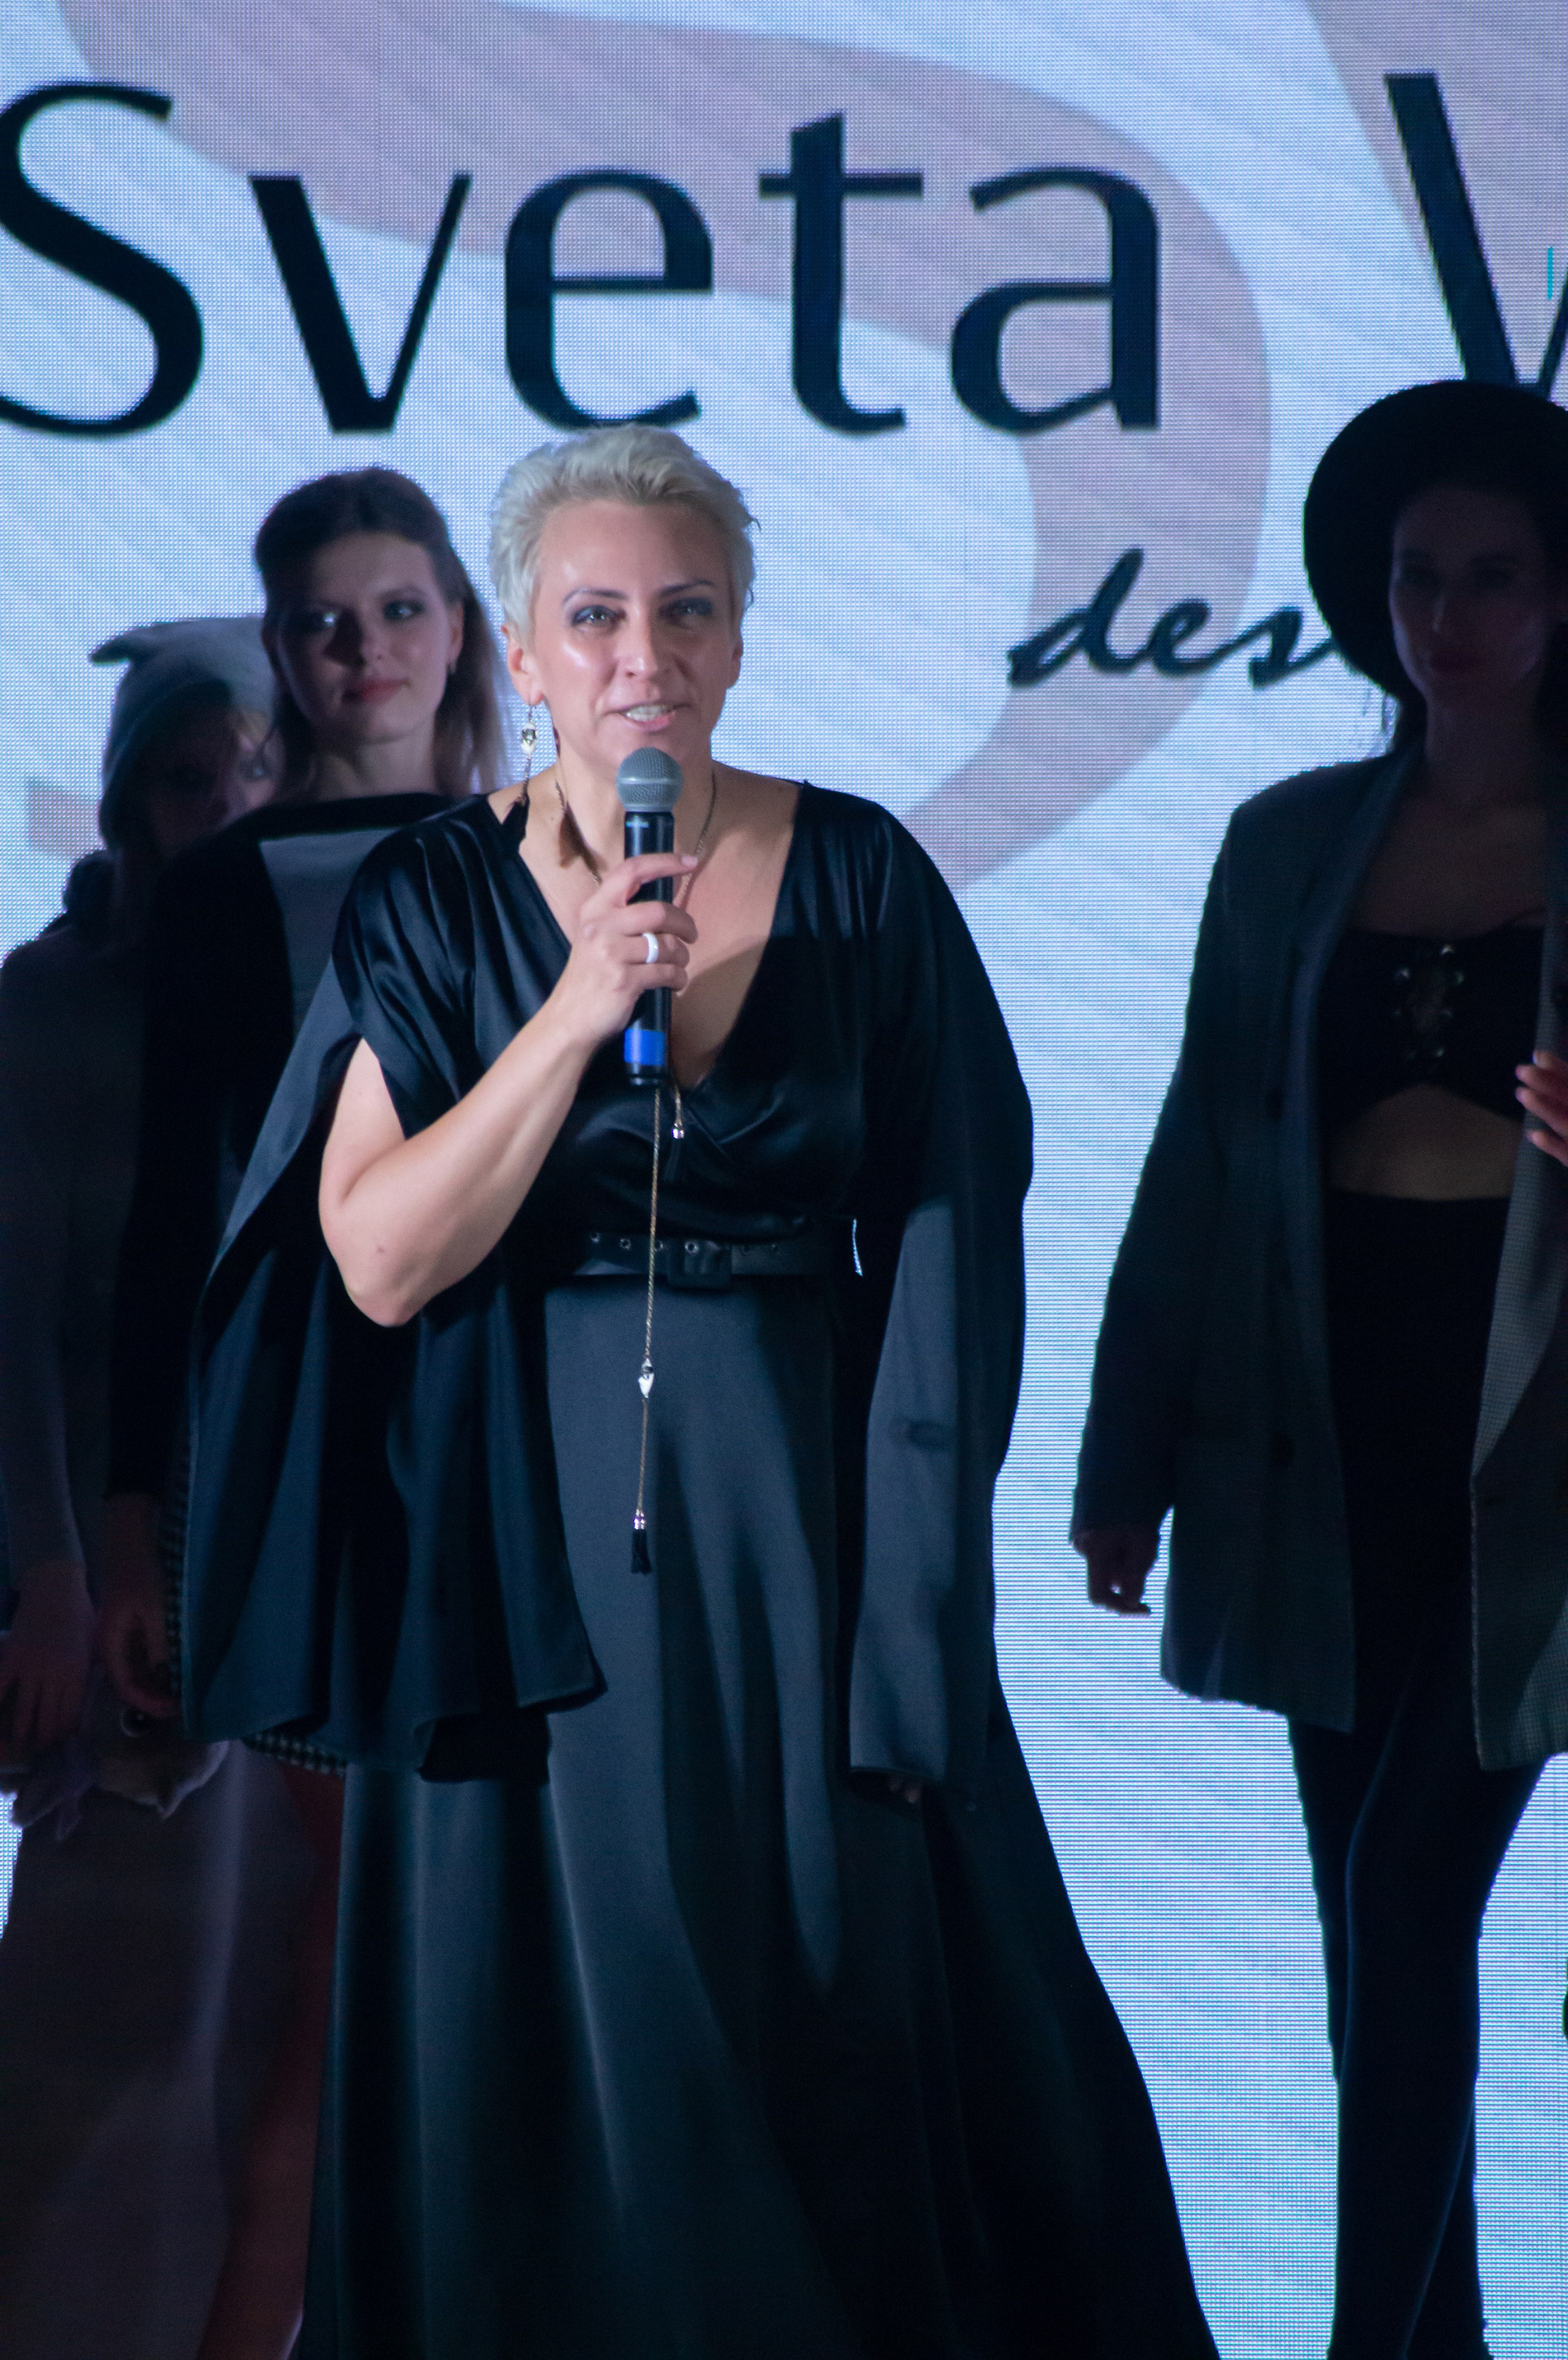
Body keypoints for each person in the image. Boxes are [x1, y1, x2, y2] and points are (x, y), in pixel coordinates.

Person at [171, 425, 1219, 2360]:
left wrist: (912, 1625)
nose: (641, 655)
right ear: (524, 648)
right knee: (546, 2081)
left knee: (833, 2045)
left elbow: (952, 1259)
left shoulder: (866, 878)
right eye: (594, 616)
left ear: (737, 639)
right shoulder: (433, 894)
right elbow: (379, 1256)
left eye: (686, 610)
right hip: (512, 1550)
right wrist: (577, 1009)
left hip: (802, 1541)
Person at [1072, 379, 1568, 2360]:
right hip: (1318, 1418)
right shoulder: (1286, 843)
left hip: (1537, 1436)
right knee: (1376, 1947)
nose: (1450, 616)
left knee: (1406, 1895)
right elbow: (1200, 1161)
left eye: (1495, 576)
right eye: (1420, 577)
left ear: (1562, 597)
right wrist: (1126, 1459)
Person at [98, 469, 506, 2360]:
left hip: (519, 1460)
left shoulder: (548, 853)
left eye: (399, 610)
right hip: (310, 1469)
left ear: (457, 625)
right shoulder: (221, 892)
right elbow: (166, 1219)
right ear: (281, 645)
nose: (366, 652)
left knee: (495, 1974)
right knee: (360, 1960)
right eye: (327, 623)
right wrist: (134, 1522)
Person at [0, 619, 318, 2360]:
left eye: (257, 774)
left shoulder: (330, 991)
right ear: (127, 807)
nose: (227, 807)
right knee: (109, 2050)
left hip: (293, 1599)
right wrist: (49, 1573)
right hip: (120, 1608)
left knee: (266, 2061)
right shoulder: (47, 1006)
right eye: (191, 780)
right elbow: (11, 1320)